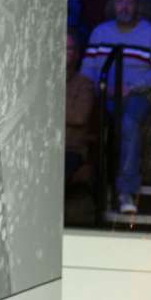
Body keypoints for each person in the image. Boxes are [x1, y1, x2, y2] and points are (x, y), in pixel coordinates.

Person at [79, 0, 151, 214]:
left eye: (129, 1)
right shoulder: (100, 33)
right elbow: (87, 71)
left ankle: (125, 191)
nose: (124, 6)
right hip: (103, 95)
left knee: (128, 123)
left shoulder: (150, 33)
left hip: (137, 96)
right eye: (120, 1)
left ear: (137, 6)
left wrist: (130, 87)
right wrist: (104, 88)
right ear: (113, 4)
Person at [65, 30, 95, 185]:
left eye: (69, 49)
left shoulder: (84, 84)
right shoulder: (42, 82)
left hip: (71, 149)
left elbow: (79, 116)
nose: (65, 53)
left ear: (76, 54)